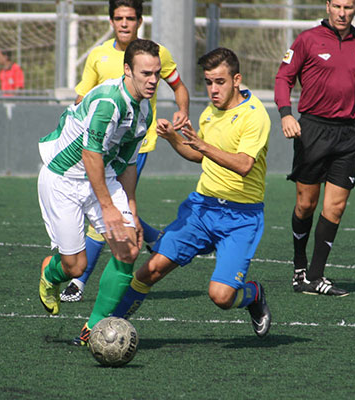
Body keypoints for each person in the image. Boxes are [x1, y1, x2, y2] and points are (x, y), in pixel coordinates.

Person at [97, 47, 273, 342]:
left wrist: (202, 146)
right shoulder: (209, 113)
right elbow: (199, 156)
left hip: (241, 217)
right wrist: (173, 138)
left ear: (237, 80)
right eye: (208, 82)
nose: (213, 89)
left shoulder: (255, 116)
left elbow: (243, 165)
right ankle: (108, 330)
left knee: (221, 296)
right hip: (202, 209)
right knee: (149, 271)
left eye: (220, 82)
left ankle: (254, 294)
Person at [60, 0, 190, 303]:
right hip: (97, 146)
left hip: (135, 146)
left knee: (106, 210)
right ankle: (158, 238)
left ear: (140, 21)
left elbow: (179, 85)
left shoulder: (158, 53)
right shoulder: (99, 56)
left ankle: (79, 281)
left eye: (130, 18)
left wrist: (182, 109)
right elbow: (82, 98)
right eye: (118, 18)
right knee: (113, 206)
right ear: (111, 21)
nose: (124, 24)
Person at [37, 39, 161, 343]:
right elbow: (89, 154)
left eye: (156, 73)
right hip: (64, 179)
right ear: (128, 70)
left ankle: (93, 328)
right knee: (75, 266)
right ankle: (50, 274)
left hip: (101, 176)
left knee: (129, 248)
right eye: (146, 73)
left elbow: (129, 164)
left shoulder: (143, 109)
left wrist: (131, 209)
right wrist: (107, 208)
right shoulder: (109, 101)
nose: (153, 80)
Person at [274, 0, 355, 296]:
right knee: (306, 204)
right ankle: (299, 269)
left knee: (336, 206)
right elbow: (284, 78)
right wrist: (285, 114)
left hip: (348, 134)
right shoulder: (307, 39)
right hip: (312, 131)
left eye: (348, 6)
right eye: (337, 6)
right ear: (327, 6)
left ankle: (316, 276)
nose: (342, 12)